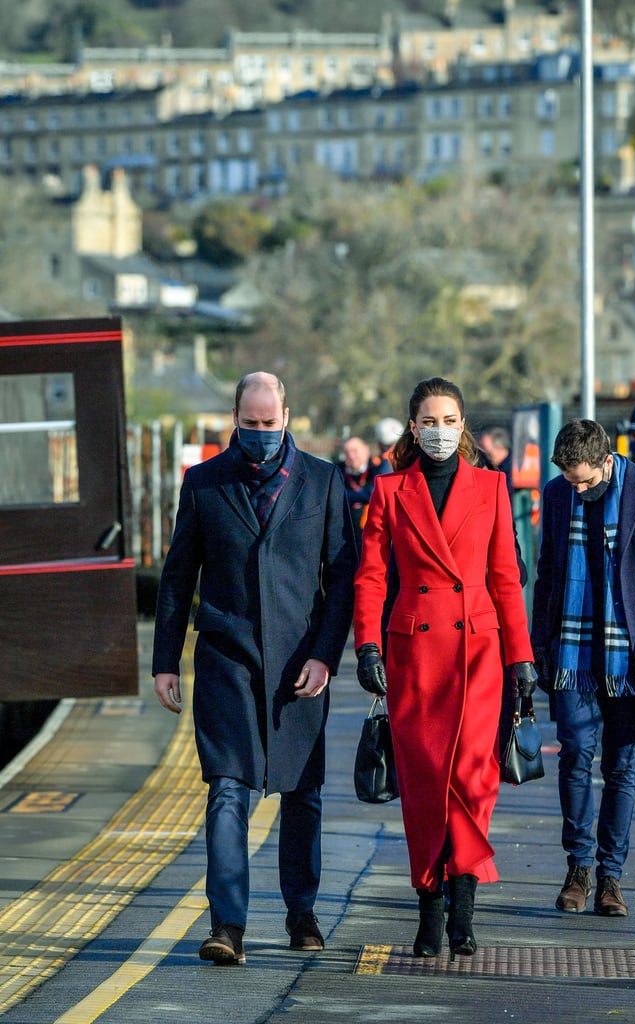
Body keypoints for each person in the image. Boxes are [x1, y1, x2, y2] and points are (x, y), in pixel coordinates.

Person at [152, 371, 357, 965]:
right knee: (226, 792)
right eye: (250, 424)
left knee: (303, 795)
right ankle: (228, 927)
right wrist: (166, 662)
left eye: (270, 424)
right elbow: (176, 577)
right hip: (226, 661)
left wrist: (325, 653)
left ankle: (302, 913)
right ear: (234, 419)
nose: (261, 433)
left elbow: (342, 576)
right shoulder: (204, 483)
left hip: (300, 664)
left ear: (287, 417)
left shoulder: (322, 482)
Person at [353, 376, 536, 961]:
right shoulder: (389, 491)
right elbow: (372, 577)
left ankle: (462, 913)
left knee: (473, 782)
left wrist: (521, 658)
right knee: (427, 785)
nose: (438, 430)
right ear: (413, 427)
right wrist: (367, 647)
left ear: (463, 427)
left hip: (478, 652)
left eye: (448, 420)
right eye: (428, 421)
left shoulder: (492, 486)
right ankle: (428, 908)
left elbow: (506, 578)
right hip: (416, 654)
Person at [531, 419, 635, 919]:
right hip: (573, 652)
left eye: (585, 480)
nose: (578, 489)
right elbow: (548, 571)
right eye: (570, 480)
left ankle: (610, 877)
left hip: (631, 655)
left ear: (606, 461)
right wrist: (536, 648)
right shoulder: (557, 495)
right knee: (575, 754)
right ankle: (578, 868)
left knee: (621, 765)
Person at [341, 435, 387, 548]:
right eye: (347, 452)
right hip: (346, 535)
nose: (351, 456)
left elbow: (376, 492)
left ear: (366, 450)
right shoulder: (338, 470)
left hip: (374, 534)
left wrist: (346, 496)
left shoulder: (379, 466)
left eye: (355, 451)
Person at [478, 425, 513, 494]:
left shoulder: (513, 471)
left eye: (484, 448)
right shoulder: (494, 468)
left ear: (499, 448)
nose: (482, 453)